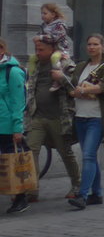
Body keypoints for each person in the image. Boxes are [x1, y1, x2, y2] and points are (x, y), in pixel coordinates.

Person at [11, 36, 81, 208]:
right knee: (30, 151)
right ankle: (31, 191)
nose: (38, 52)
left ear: (52, 49)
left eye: (41, 49)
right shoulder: (35, 65)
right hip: (38, 117)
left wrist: (61, 77)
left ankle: (77, 185)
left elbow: (76, 87)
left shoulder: (64, 63)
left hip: (59, 117)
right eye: (36, 49)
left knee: (65, 152)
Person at [67, 33, 104, 210]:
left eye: (95, 44)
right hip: (80, 117)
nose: (91, 47)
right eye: (89, 44)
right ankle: (96, 193)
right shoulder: (82, 66)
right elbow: (73, 88)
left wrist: (84, 91)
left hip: (97, 118)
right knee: (90, 157)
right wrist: (83, 91)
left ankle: (82, 196)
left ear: (102, 47)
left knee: (89, 156)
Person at [1, 38, 29, 215]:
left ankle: (21, 197)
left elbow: (18, 101)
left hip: (6, 125)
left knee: (14, 164)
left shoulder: (12, 71)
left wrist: (17, 128)